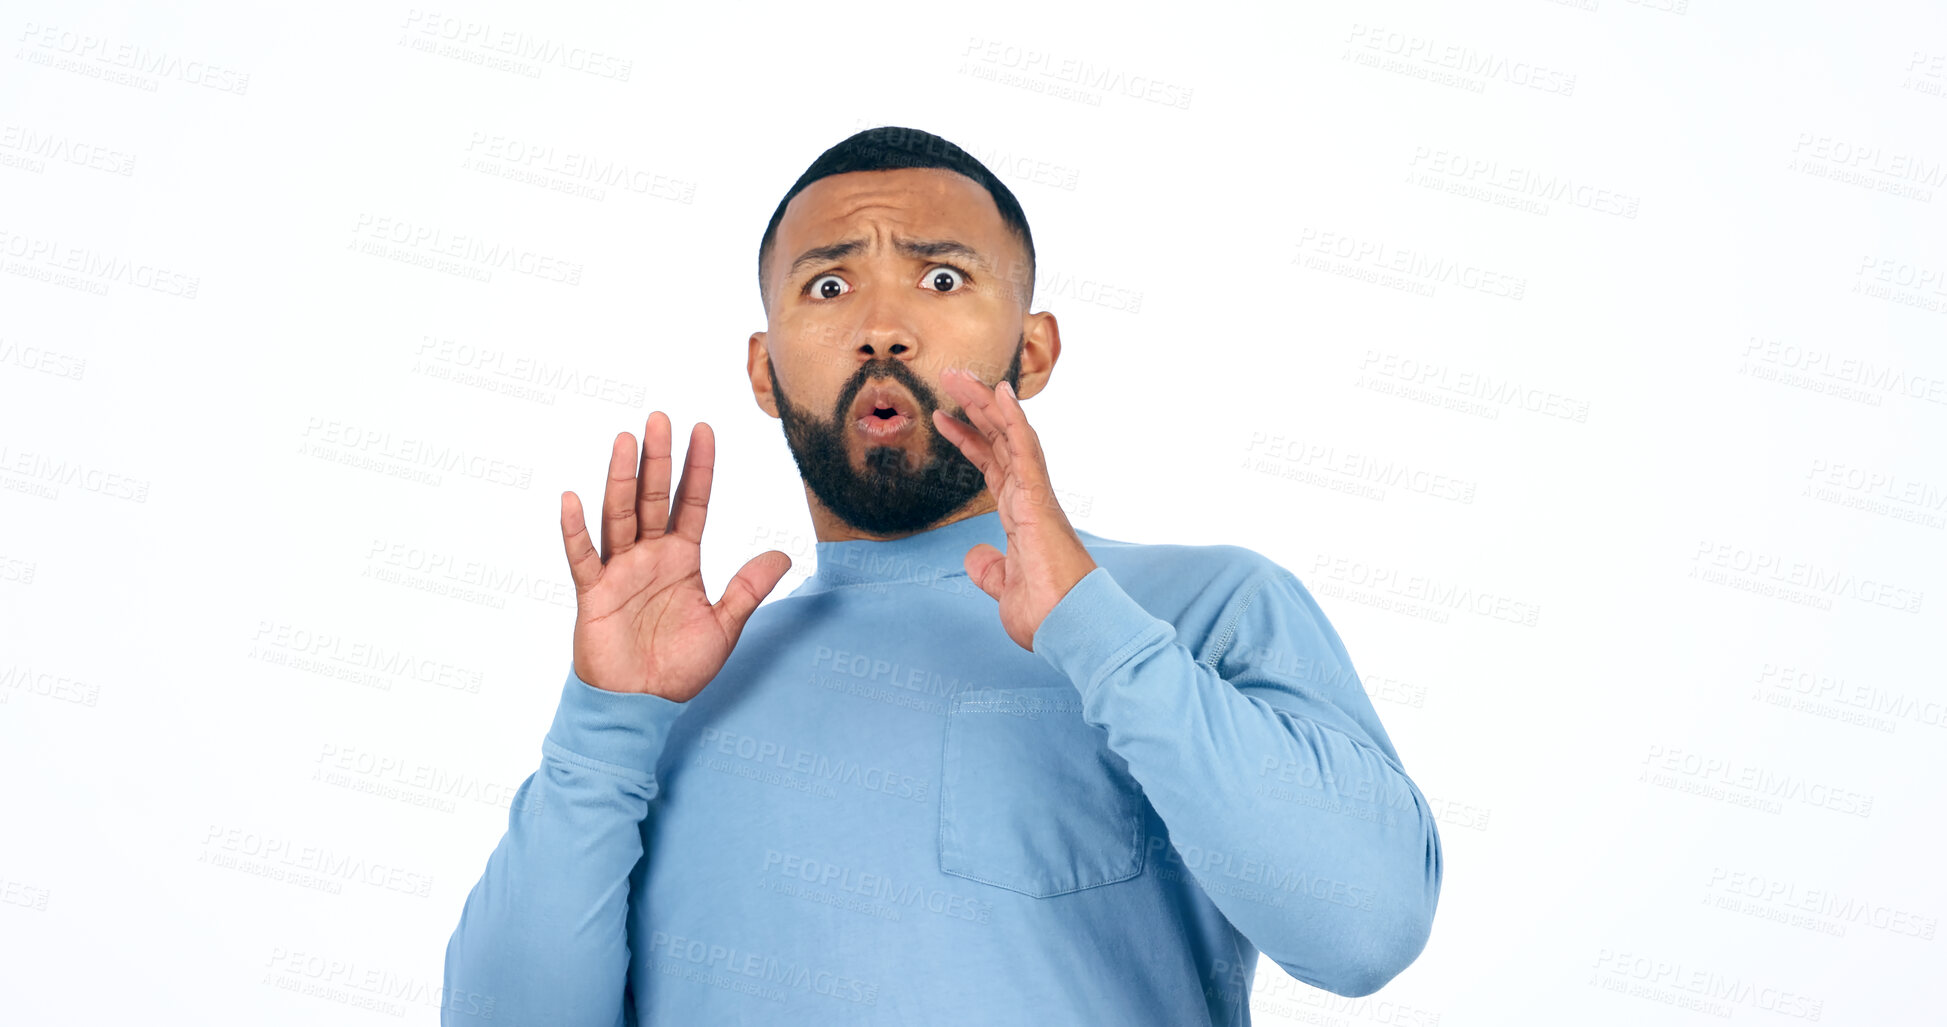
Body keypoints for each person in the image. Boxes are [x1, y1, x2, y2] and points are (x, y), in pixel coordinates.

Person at [441, 125, 1442, 1026]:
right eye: (828, 286)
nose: (884, 327)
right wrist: (605, 725)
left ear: (1035, 348)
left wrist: (1093, 629)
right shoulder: (673, 692)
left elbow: (1365, 930)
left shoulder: (1203, 608)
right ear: (764, 369)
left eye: (943, 280)